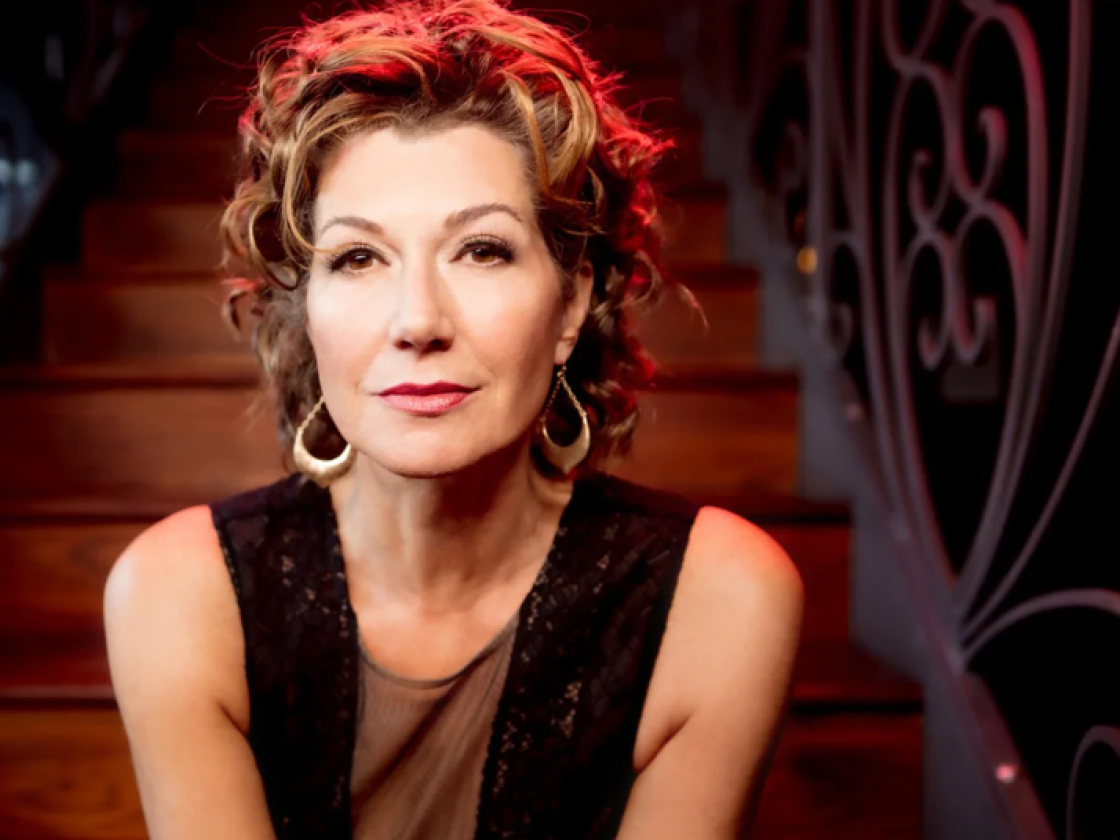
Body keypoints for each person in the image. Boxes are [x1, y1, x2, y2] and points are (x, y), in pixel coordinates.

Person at [104, 1, 804, 837]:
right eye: (358, 257)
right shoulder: (181, 594)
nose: (417, 321)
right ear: (305, 307)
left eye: (482, 250)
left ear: (572, 303)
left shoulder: (720, 597)